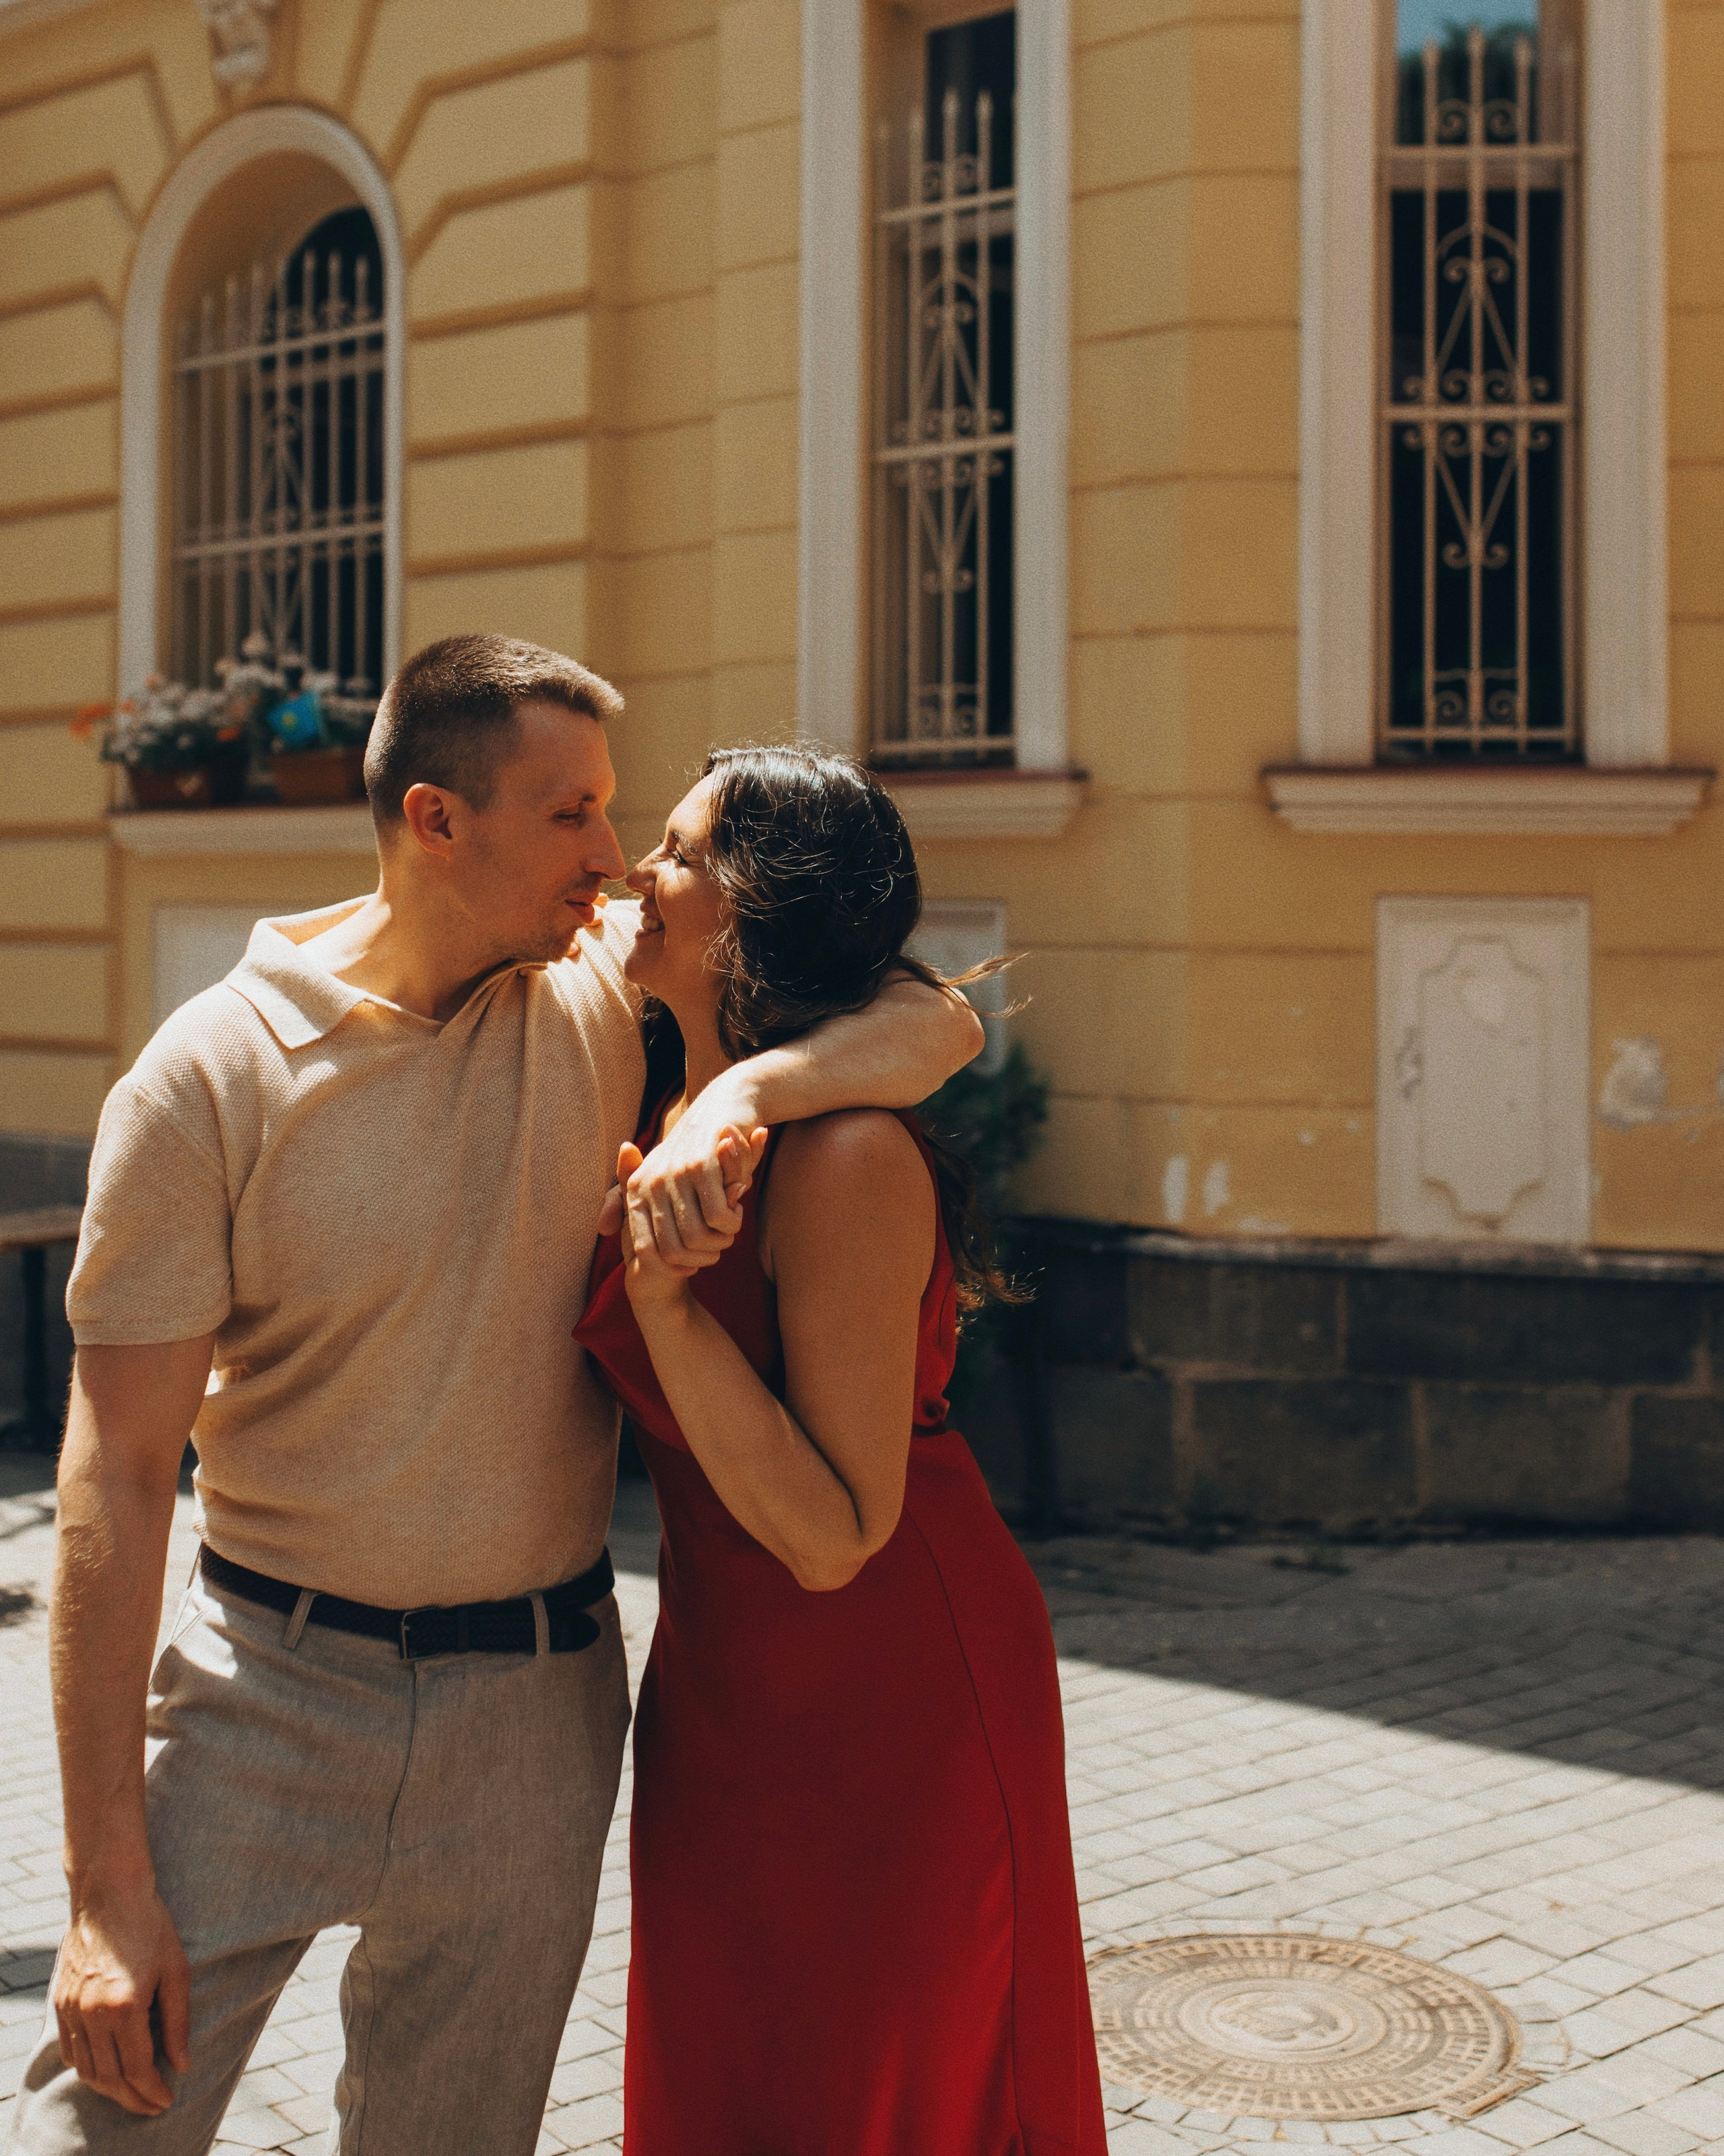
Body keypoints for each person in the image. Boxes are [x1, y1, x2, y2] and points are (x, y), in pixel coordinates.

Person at [10, 638, 982, 2156]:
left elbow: (933, 1019)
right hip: (266, 1691)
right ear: (435, 820)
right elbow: (114, 1477)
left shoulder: (608, 996)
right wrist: (99, 1890)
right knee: (102, 2131)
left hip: (538, 1707)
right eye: (571, 814)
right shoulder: (204, 1079)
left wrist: (736, 1093)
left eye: (616, 815)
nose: (609, 857)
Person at [574, 743, 1107, 2155]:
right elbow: (939, 1016)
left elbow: (831, 1533)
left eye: (679, 850)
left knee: (878, 2093)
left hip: (886, 1689)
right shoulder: (658, 1084)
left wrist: (659, 1301)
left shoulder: (844, 1153)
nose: (638, 864)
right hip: (723, 1692)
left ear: (758, 906)